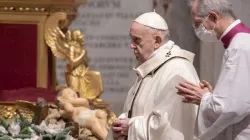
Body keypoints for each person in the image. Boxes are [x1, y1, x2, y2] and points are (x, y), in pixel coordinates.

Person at [106, 12, 199, 140]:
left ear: (157, 40)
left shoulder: (177, 70)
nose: (131, 45)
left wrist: (131, 127)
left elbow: (168, 129)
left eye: (137, 40)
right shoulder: (151, 67)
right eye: (131, 39)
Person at [176, 0, 250, 139]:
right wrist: (214, 96)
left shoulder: (239, 47)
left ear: (213, 17)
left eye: (198, 23)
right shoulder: (242, 41)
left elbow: (231, 107)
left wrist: (203, 98)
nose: (196, 28)